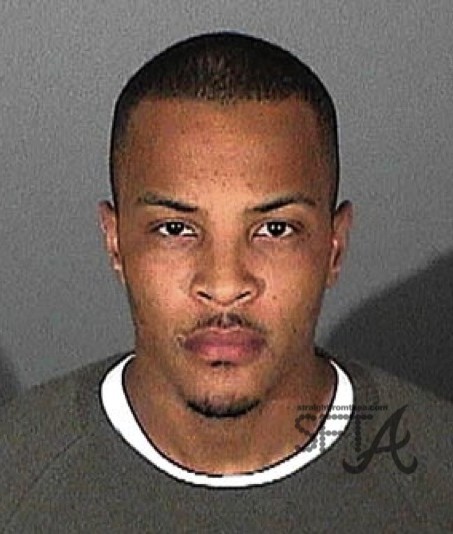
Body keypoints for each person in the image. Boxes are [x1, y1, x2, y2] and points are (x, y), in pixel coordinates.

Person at [0, 32, 451, 533]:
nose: (224, 284)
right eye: (175, 229)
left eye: (274, 230)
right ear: (115, 242)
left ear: (334, 246)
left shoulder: (437, 478)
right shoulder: (15, 475)